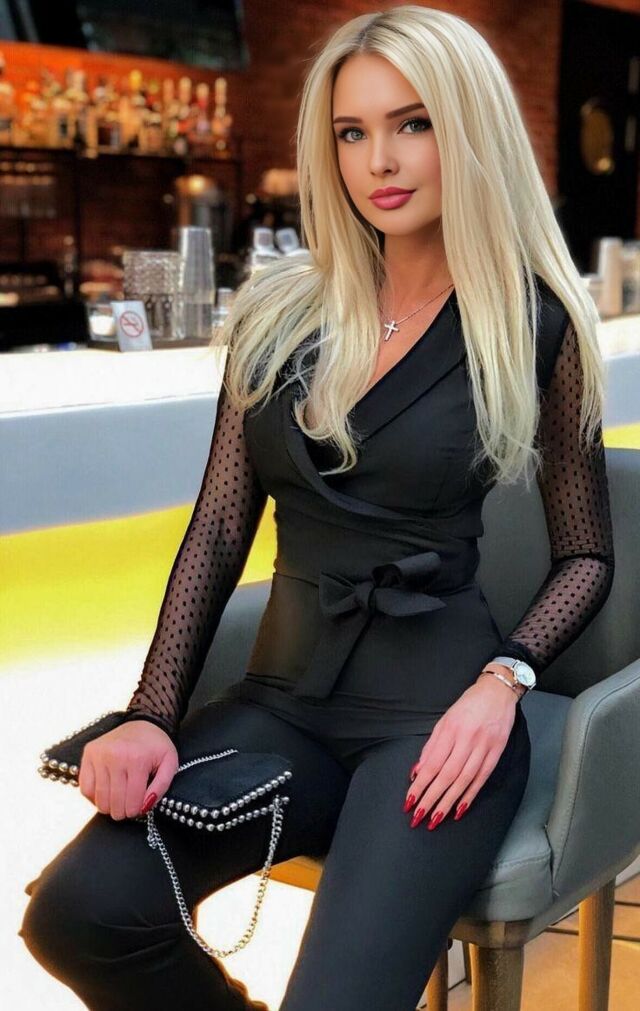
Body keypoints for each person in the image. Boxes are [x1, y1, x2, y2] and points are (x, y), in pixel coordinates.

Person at [19, 6, 615, 1010]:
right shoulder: (279, 311)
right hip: (282, 700)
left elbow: (586, 554)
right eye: (351, 131)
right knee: (79, 914)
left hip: (434, 720)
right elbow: (219, 527)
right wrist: (150, 711)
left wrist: (502, 681)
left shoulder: (534, 323)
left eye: (413, 123)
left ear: (470, 129)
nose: (379, 159)